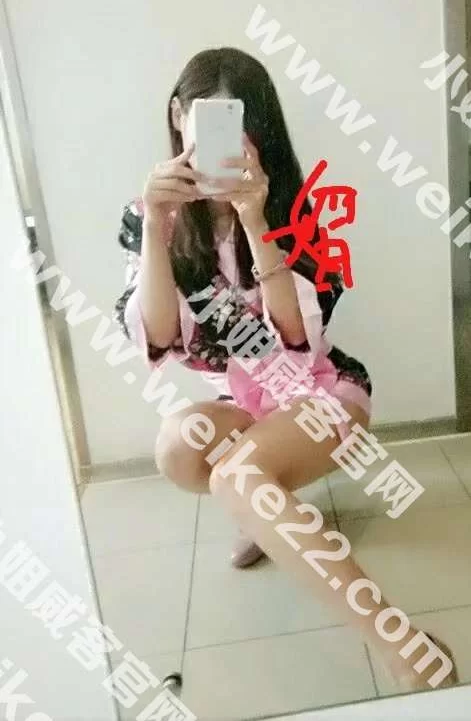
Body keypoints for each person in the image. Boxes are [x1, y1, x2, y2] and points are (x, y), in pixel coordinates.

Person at [114, 47, 457, 692]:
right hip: (245, 399)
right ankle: (270, 519)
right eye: (205, 124)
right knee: (178, 449)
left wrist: (255, 219)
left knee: (238, 476)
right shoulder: (149, 216)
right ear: (178, 117)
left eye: (238, 128)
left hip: (322, 392)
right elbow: (158, 335)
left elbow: (298, 341)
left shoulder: (293, 209)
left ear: (260, 131)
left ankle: (402, 642)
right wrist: (157, 225)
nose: (220, 147)